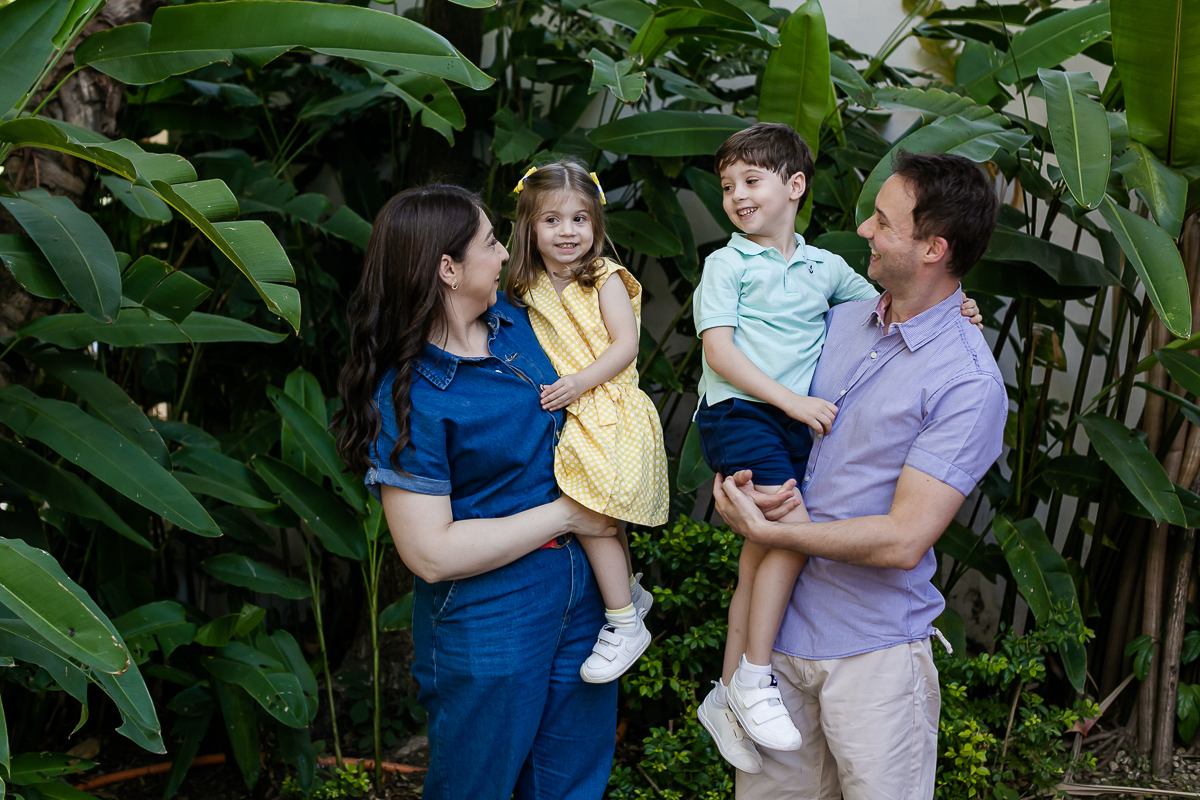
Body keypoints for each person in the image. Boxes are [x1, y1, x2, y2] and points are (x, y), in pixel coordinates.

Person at [712, 150, 1008, 800]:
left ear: (934, 248)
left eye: (883, 221)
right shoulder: (838, 318)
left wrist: (777, 531)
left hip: (873, 660)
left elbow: (905, 539)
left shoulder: (966, 381)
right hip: (777, 644)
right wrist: (739, 472)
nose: (866, 231)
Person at [335, 184, 619, 799]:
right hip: (491, 615)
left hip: (583, 595)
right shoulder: (412, 395)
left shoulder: (522, 325)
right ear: (448, 268)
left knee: (571, 786)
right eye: (490, 242)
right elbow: (429, 552)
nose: (504, 254)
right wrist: (569, 515)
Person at [505, 159, 669, 684]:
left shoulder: (604, 276)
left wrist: (579, 381)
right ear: (529, 227)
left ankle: (624, 623)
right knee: (605, 512)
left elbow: (626, 344)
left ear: (596, 225)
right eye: (552, 220)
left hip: (609, 405)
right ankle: (632, 593)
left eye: (580, 219)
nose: (567, 231)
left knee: (591, 511)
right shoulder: (525, 283)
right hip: (577, 411)